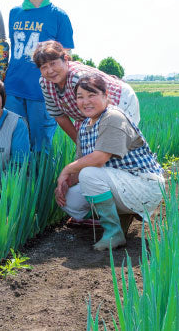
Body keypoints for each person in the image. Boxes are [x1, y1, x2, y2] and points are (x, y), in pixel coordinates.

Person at [55, 74, 164, 250]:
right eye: (80, 97)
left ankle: (113, 232)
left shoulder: (113, 117)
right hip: (121, 184)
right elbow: (81, 164)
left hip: (144, 184)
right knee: (69, 199)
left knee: (89, 174)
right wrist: (65, 183)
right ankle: (120, 214)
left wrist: (66, 170)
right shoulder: (84, 126)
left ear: (106, 95)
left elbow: (99, 159)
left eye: (92, 95)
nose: (86, 101)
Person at [4, 0, 74, 151]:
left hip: (43, 89)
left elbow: (66, 56)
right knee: (15, 141)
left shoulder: (58, 15)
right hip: (13, 87)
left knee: (41, 143)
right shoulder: (14, 13)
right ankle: (18, 181)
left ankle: (41, 181)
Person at [33, 41, 140, 143]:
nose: (50, 71)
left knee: (114, 147)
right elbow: (60, 116)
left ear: (65, 59)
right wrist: (80, 144)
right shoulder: (45, 82)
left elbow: (105, 108)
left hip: (118, 100)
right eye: (44, 67)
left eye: (53, 63)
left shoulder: (78, 77)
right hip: (89, 113)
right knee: (91, 149)